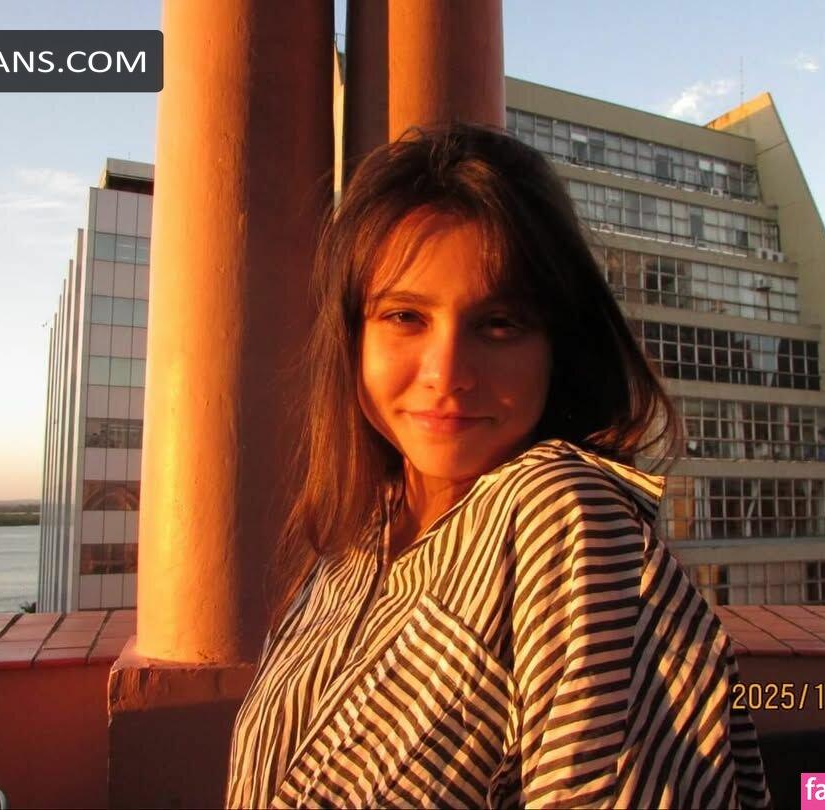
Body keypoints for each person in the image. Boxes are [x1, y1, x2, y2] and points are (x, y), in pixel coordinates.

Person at [225, 124, 771, 809]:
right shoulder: (361, 536)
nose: (447, 373)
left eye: (500, 324)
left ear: (556, 347)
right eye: (405, 316)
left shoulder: (562, 519)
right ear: (354, 336)